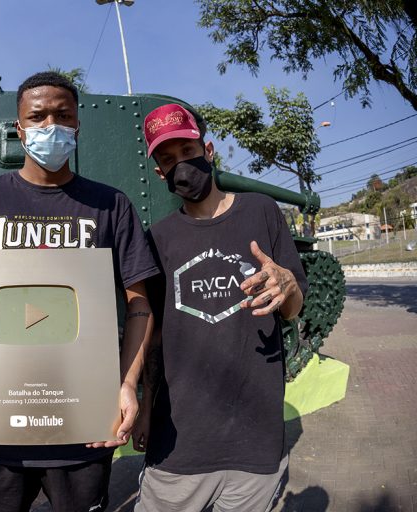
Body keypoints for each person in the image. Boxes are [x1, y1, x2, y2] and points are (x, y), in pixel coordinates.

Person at [0, 71, 158, 512]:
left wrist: (128, 385)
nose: (52, 126)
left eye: (63, 115)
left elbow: (138, 303)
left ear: (78, 126)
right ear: (19, 128)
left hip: (83, 427)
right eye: (39, 116)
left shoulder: (112, 205)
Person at [132, 103, 308, 512]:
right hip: (178, 444)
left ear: (208, 150)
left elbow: (294, 307)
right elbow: (155, 334)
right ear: (159, 172)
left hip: (255, 442)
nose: (181, 166)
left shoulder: (262, 212)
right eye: (168, 159)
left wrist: (285, 285)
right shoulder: (158, 239)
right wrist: (145, 409)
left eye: (188, 152)